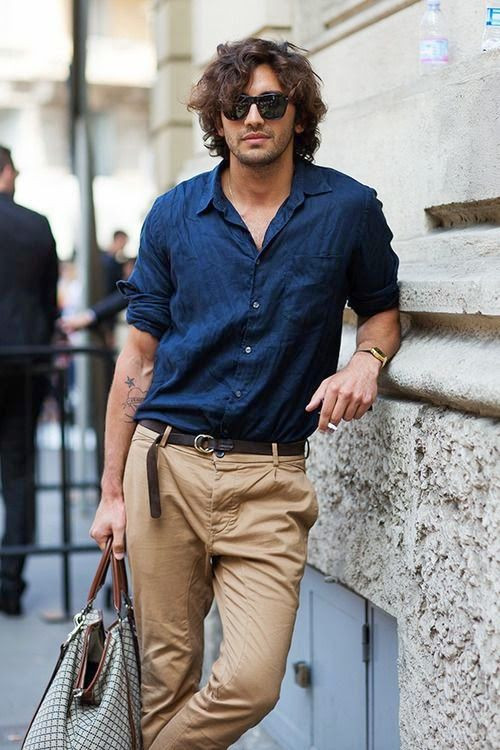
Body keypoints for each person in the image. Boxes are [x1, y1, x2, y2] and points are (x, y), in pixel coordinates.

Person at [90, 38, 401, 750]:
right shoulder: (174, 215)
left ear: (297, 113)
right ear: (219, 120)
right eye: (238, 105)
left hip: (270, 477)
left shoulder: (348, 209)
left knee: (254, 681)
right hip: (165, 467)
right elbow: (136, 361)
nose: (253, 116)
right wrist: (111, 492)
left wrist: (366, 361)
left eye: (270, 102)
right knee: (165, 680)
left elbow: (382, 309)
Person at [0, 146, 59, 616]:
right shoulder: (35, 225)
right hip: (23, 362)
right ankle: (10, 586)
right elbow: (47, 301)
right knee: (19, 474)